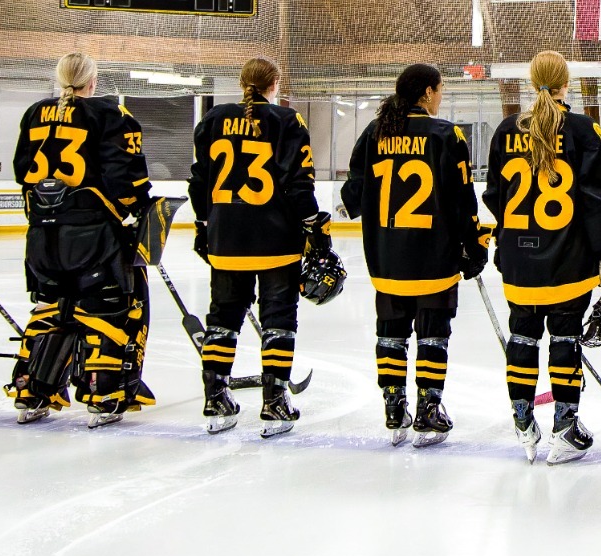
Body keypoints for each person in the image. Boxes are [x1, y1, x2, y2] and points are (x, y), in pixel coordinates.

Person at [484, 51, 601, 464]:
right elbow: (599, 200)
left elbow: (495, 196)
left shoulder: (506, 130)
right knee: (565, 339)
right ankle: (565, 428)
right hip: (569, 259)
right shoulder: (583, 130)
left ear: (532, 82)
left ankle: (524, 425)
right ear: (566, 83)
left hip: (518, 260)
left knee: (522, 338)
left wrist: (509, 239)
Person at [7, 53, 153, 428]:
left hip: (42, 235)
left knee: (51, 307)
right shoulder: (111, 113)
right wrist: (139, 210)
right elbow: (127, 178)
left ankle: (31, 390)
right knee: (108, 308)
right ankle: (105, 393)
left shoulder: (34, 113)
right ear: (92, 82)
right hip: (94, 236)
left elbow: (23, 171)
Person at [342, 63, 483, 446]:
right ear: (427, 92)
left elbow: (352, 194)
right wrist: (474, 245)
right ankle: (428, 409)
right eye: (440, 89)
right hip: (435, 257)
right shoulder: (446, 134)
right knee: (433, 335)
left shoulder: (375, 132)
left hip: (387, 257)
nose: (441, 96)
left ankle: (394, 408)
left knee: (391, 334)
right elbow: (463, 199)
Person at [188, 56, 327, 436]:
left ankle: (215, 398)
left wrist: (203, 226)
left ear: (241, 83)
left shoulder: (214, 119)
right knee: (278, 319)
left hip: (226, 238)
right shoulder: (287, 120)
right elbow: (300, 184)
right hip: (276, 240)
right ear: (274, 84)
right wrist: (314, 228)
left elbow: (199, 181)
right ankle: (275, 401)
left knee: (222, 318)